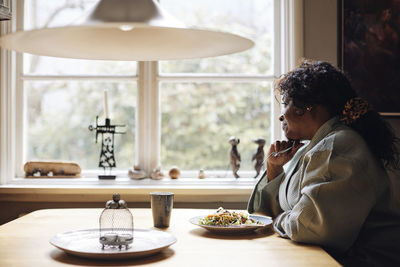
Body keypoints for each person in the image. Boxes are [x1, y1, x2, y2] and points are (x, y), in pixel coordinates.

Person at [247, 60, 400, 266]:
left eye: (287, 103)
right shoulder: (313, 147)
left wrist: (279, 221)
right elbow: (272, 213)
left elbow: (310, 228)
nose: (282, 115)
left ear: (309, 107)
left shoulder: (338, 146)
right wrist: (274, 169)